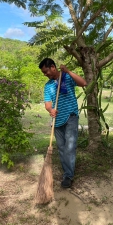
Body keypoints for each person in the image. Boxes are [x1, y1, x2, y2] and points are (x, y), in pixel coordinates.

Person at [39, 58, 87, 188]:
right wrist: (50, 110)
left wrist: (68, 71)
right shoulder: (48, 86)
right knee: (61, 148)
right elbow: (48, 104)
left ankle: (68, 176)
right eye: (44, 73)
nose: (45, 74)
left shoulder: (67, 77)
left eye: (46, 71)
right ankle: (67, 170)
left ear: (53, 67)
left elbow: (83, 83)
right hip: (57, 120)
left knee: (69, 147)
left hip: (71, 116)